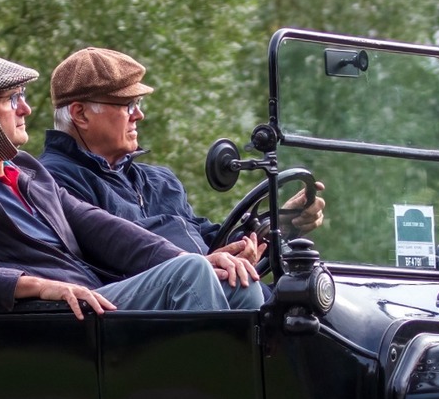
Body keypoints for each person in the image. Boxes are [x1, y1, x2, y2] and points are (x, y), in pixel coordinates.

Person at [0, 54, 262, 319]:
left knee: (234, 279)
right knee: (191, 276)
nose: (25, 109)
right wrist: (33, 285)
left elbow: (103, 229)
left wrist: (188, 257)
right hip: (47, 322)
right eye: (11, 99)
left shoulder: (26, 170)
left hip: (90, 305)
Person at [39, 47, 325, 263]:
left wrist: (282, 224)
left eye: (137, 103)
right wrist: (203, 266)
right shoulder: (52, 182)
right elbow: (116, 256)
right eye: (127, 105)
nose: (139, 115)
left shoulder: (159, 181)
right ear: (80, 114)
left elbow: (212, 242)